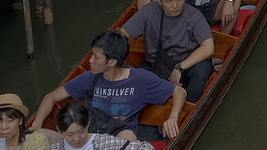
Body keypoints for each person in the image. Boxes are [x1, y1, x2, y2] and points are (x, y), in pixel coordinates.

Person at [31, 30, 182, 143]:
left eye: (96, 57)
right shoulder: (89, 77)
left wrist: (173, 117)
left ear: (112, 62)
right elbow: (50, 97)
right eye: (92, 55)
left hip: (114, 140)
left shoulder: (141, 79)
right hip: (82, 136)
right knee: (35, 137)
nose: (90, 61)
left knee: (128, 138)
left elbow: (179, 92)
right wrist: (36, 124)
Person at [119, 0, 216, 102]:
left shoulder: (194, 17)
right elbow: (122, 34)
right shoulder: (148, 12)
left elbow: (208, 47)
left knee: (203, 69)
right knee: (136, 81)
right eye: (169, 1)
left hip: (186, 66)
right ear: (159, 0)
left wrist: (179, 68)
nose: (175, 5)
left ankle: (189, 106)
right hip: (157, 67)